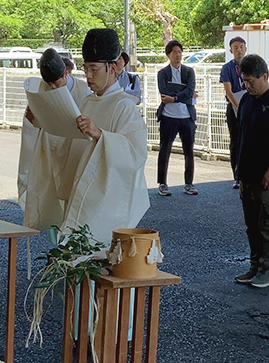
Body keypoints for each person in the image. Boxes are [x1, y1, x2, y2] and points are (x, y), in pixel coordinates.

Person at [23, 28, 149, 244]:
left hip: (107, 202)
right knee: (77, 257)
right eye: (85, 68)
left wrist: (100, 135)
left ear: (112, 67)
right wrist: (42, 122)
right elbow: (69, 145)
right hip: (81, 191)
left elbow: (136, 154)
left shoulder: (124, 106)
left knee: (96, 259)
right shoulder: (88, 101)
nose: (88, 75)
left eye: (94, 69)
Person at [234, 54, 269, 288]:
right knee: (251, 223)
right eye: (244, 81)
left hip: (265, 174)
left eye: (251, 81)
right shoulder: (246, 100)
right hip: (246, 171)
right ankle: (255, 265)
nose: (248, 85)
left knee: (267, 222)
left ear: (264, 76)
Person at [17, 48, 89, 210]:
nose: (52, 87)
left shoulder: (84, 90)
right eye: (48, 84)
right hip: (49, 149)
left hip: (74, 149)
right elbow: (32, 124)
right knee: (48, 198)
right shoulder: (41, 89)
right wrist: (32, 120)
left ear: (66, 74)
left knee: (72, 196)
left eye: (55, 83)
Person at [156, 40, 198, 196]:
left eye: (180, 51)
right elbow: (163, 91)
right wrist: (183, 94)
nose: (178, 54)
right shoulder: (163, 73)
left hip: (187, 116)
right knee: (165, 150)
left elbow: (190, 91)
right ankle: (162, 183)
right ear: (168, 55)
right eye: (174, 52)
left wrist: (174, 98)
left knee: (189, 151)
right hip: (168, 116)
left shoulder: (189, 72)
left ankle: (189, 183)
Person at [220, 36, 247, 189]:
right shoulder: (228, 68)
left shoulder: (251, 64)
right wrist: (239, 106)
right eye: (235, 47)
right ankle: (236, 176)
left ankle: (248, 173)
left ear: (246, 48)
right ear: (231, 50)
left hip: (249, 106)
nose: (239, 50)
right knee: (235, 141)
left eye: (241, 46)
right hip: (234, 106)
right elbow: (228, 90)